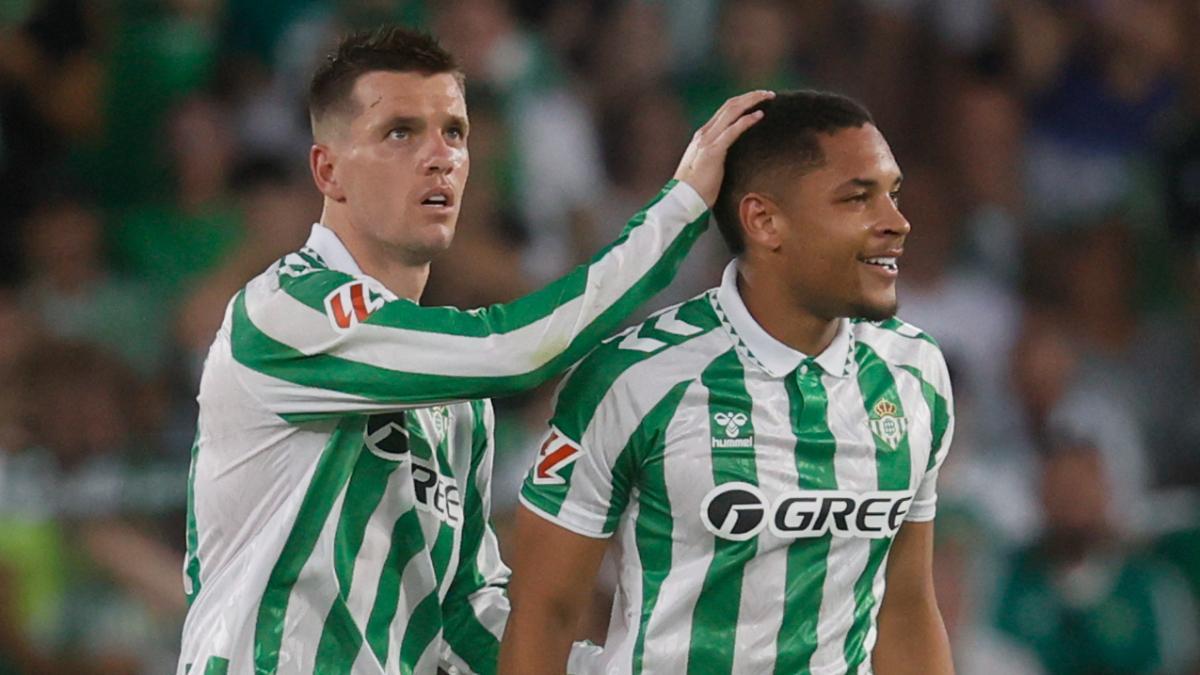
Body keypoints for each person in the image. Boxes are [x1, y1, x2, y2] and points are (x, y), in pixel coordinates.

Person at [176, 25, 771, 675]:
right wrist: (680, 207)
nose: (440, 157)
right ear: (328, 170)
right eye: (400, 132)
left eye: (454, 132)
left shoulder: (456, 398)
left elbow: (464, 618)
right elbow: (513, 350)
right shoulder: (284, 313)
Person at [501, 90, 955, 675]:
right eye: (857, 198)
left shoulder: (915, 372)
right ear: (764, 220)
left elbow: (907, 607)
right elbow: (544, 614)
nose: (897, 222)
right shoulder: (634, 379)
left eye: (892, 193)